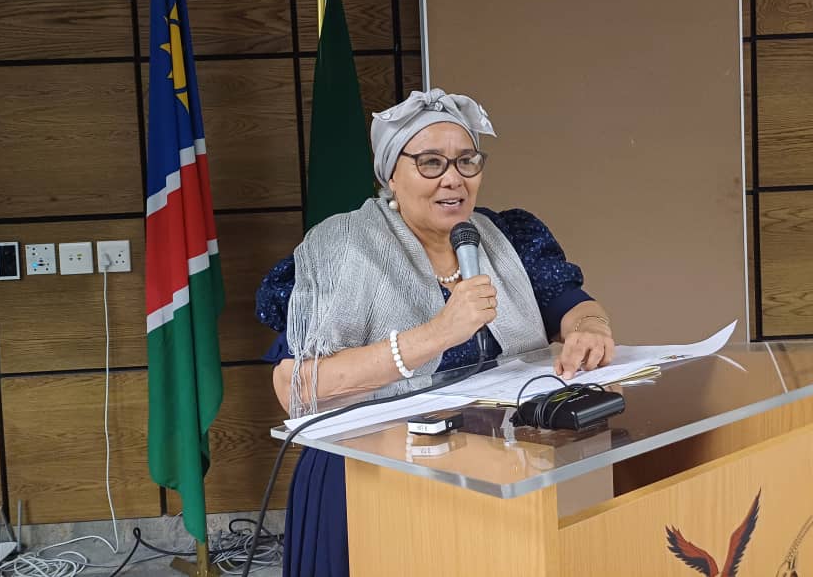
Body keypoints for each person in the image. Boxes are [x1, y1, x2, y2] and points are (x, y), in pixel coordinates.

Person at [256, 88, 614, 577]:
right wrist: (439, 333)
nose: (453, 178)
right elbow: (295, 387)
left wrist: (591, 329)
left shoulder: (505, 237)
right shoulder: (343, 250)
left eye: (467, 161)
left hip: (498, 471)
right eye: (430, 163)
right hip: (370, 480)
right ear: (390, 174)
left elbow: (571, 304)